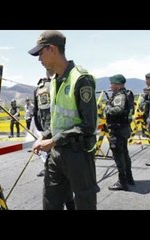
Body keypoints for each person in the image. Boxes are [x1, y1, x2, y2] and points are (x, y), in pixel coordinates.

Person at [29, 30, 100, 210]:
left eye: (40, 53)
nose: (39, 59)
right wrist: (43, 136)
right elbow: (58, 119)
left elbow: (88, 125)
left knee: (85, 202)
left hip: (78, 154)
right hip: (56, 153)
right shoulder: (54, 81)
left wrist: (52, 140)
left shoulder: (81, 79)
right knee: (50, 202)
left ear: (52, 49)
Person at [104, 74, 134, 191]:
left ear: (117, 85)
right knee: (125, 153)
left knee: (118, 155)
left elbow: (118, 109)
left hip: (118, 129)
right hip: (123, 128)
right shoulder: (125, 94)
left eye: (112, 84)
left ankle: (122, 181)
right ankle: (129, 178)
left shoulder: (119, 96)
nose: (110, 86)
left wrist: (107, 108)